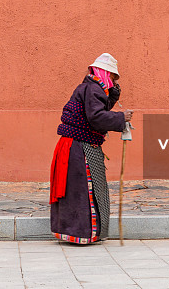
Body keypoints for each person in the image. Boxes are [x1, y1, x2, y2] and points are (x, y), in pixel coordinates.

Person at [50, 53, 133, 243]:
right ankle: (82, 234)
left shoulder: (90, 88)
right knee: (82, 191)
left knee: (78, 189)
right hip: (79, 148)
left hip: (74, 146)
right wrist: (122, 118)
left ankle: (77, 232)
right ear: (104, 73)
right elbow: (96, 117)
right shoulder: (93, 89)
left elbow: (97, 111)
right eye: (112, 76)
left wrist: (112, 97)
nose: (113, 80)